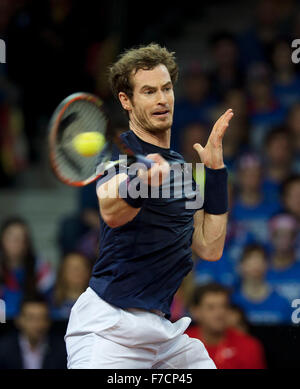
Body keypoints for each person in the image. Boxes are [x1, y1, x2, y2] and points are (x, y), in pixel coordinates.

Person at [65, 43, 233, 369]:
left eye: (166, 88)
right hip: (109, 328)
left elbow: (209, 248)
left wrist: (215, 175)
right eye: (148, 91)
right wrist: (142, 182)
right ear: (126, 101)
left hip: (163, 335)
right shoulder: (122, 157)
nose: (161, 99)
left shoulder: (184, 172)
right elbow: (111, 210)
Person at [185, 283, 266, 369]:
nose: (220, 313)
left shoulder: (249, 346)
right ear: (195, 311)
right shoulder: (182, 344)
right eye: (211, 308)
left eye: (224, 306)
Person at [0, 217, 55, 319]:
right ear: (2, 239)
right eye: (12, 238)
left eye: (21, 238)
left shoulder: (40, 268)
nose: (17, 243)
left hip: (31, 326)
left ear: (27, 243)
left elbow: (49, 303)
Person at [0, 295, 67, 369]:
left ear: (49, 321)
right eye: (31, 318)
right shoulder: (4, 349)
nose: (37, 324)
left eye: (42, 318)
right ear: (18, 320)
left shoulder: (62, 350)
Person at [232, 244, 291, 325]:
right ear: (240, 266)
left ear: (267, 265)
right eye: (250, 259)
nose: (255, 263)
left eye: (259, 259)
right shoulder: (232, 301)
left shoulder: (282, 302)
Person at [266, 213, 300, 304]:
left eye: (288, 235)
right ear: (271, 237)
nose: (283, 240)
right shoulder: (261, 269)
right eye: (278, 235)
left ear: (295, 238)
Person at [50, 252, 91, 321]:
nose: (77, 272)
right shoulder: (50, 300)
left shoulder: (96, 300)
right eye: (72, 268)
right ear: (63, 272)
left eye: (82, 267)